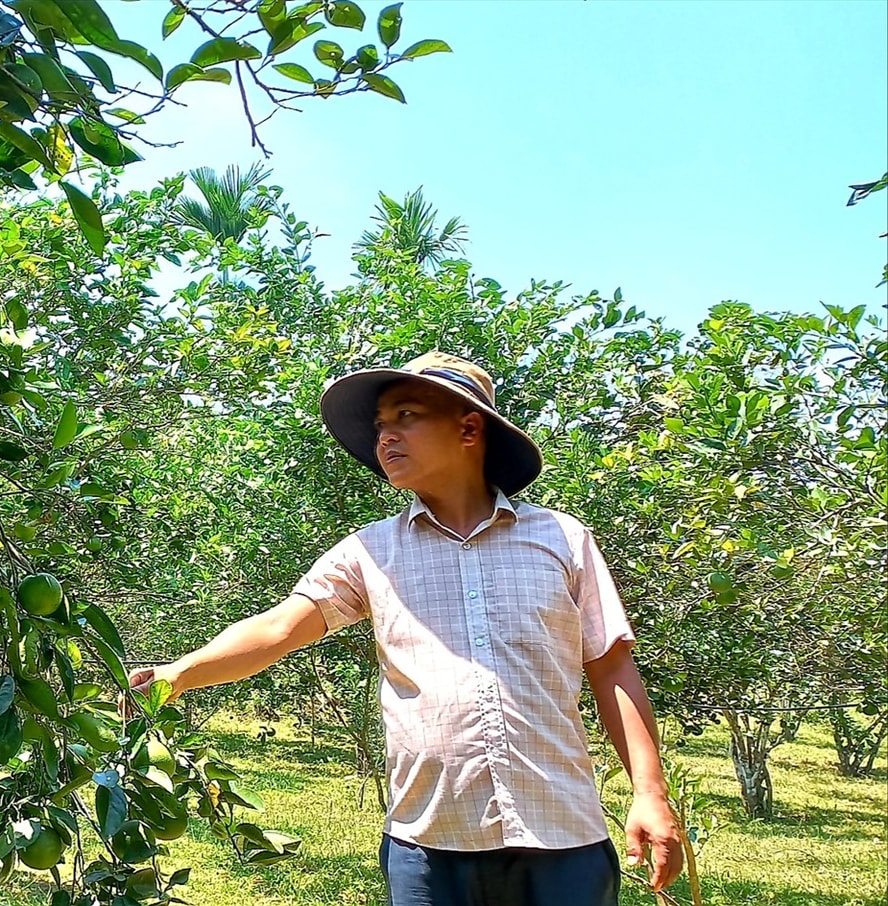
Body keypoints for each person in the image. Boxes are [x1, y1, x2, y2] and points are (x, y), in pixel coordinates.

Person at [127, 352, 683, 906]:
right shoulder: (371, 552)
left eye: (406, 416)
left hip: (563, 833)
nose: (384, 438)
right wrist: (175, 675)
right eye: (379, 427)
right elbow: (278, 628)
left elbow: (611, 666)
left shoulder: (561, 539)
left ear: (468, 428)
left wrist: (650, 793)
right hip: (429, 842)